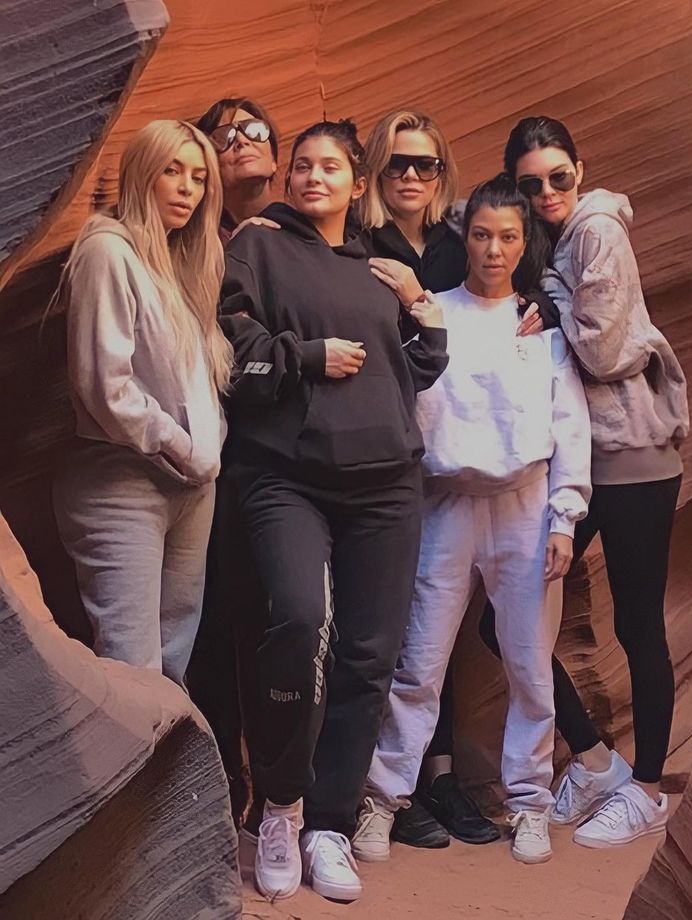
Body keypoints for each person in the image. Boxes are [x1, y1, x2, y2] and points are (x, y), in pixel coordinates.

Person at [219, 119, 448, 902]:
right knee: (296, 619)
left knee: (370, 655)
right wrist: (306, 359)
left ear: (358, 182)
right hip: (287, 475)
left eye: (330, 167)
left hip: (387, 485)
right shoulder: (256, 246)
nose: (314, 177)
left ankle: (328, 823)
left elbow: (410, 371)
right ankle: (278, 805)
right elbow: (230, 347)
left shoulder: (378, 265)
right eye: (302, 166)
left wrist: (425, 308)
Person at [352, 172, 591, 865]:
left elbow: (570, 426)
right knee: (418, 664)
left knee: (529, 665)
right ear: (466, 235)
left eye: (508, 237)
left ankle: (529, 804)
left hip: (525, 508)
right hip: (444, 506)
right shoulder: (434, 313)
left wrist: (564, 520)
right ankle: (382, 800)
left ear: (525, 243)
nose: (493, 249)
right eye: (482, 234)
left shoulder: (538, 327)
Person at [480, 116, 689, 848]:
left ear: (580, 169)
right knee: (500, 619)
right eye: (530, 183)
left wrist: (552, 305)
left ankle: (649, 788)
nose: (546, 194)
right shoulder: (548, 240)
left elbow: (600, 351)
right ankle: (596, 761)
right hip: (576, 467)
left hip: (633, 459)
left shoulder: (597, 230)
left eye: (558, 177)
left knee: (636, 624)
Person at [52, 119, 231, 686]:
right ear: (142, 174)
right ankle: (128, 780)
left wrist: (208, 449)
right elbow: (104, 385)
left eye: (199, 176)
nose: (187, 188)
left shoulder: (183, 264)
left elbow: (197, 381)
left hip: (192, 486)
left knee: (172, 668)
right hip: (121, 480)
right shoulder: (108, 250)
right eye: (172, 171)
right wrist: (183, 446)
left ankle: (169, 781)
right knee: (133, 672)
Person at [187, 95, 280, 827]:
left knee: (287, 623)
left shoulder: (308, 234)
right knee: (217, 626)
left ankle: (286, 788)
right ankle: (223, 784)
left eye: (256, 131)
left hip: (296, 462)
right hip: (218, 457)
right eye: (228, 134)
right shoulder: (194, 241)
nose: (243, 141)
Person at [195, 96, 279, 243]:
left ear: (273, 159)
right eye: (224, 136)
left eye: (255, 130)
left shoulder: (302, 228)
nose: (242, 140)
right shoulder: (203, 248)